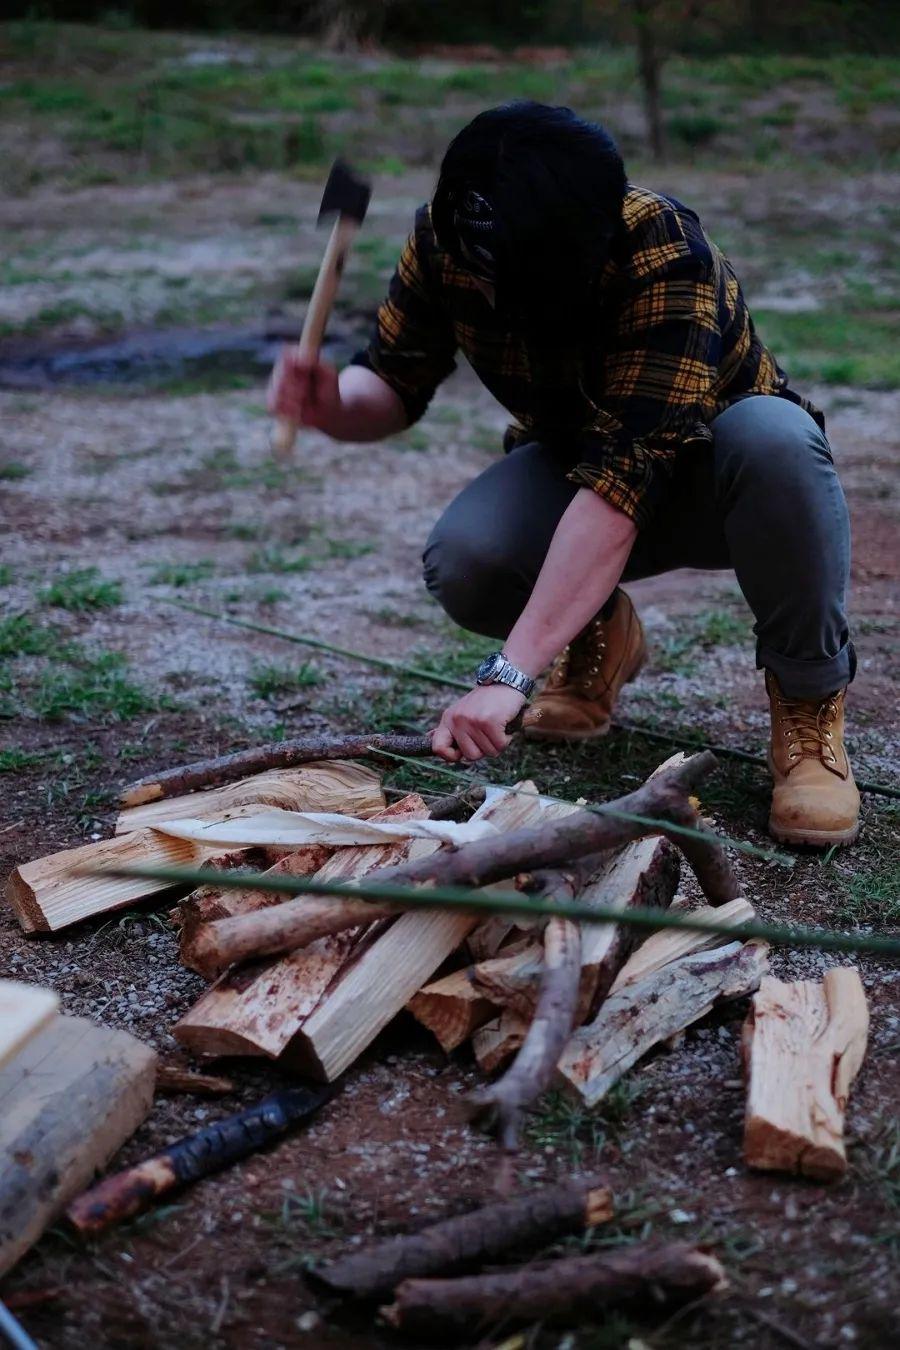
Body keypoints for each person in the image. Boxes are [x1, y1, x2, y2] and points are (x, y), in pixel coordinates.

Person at [269, 101, 859, 849]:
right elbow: (392, 382)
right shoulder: (449, 236)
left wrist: (507, 677)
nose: (501, 302)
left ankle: (807, 705)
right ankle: (596, 634)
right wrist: (332, 403)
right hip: (582, 468)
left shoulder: (663, 248)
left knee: (777, 435)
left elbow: (624, 480)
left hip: (725, 480)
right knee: (469, 559)